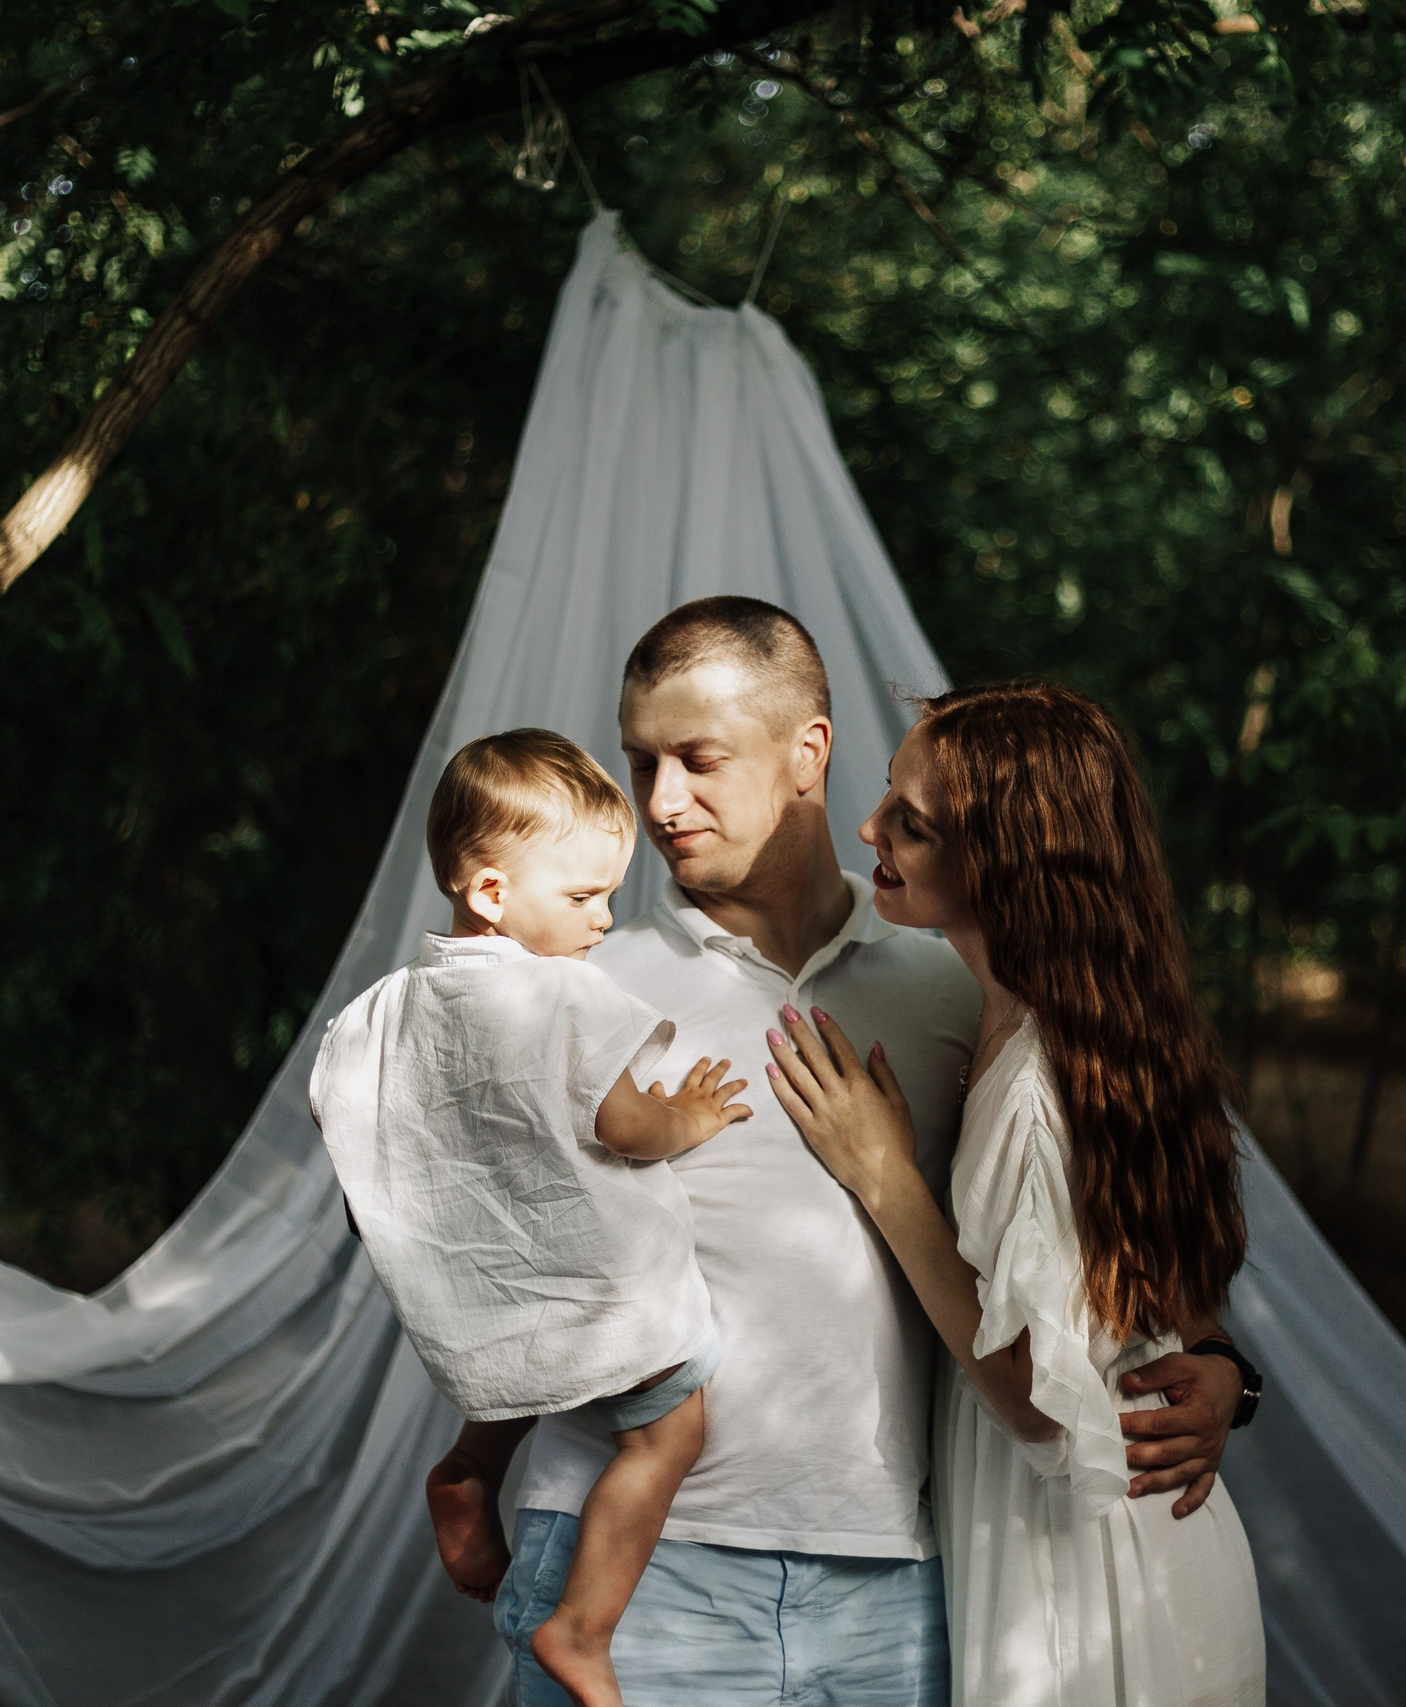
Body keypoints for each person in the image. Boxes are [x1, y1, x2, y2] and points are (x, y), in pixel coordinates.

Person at [450, 598, 1251, 1706]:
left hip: (901, 1578)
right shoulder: (579, 986)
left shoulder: (959, 984)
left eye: (697, 759)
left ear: (807, 753)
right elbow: (483, 1232)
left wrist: (1216, 1360)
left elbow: (1096, 1213)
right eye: (639, 761)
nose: (659, 801)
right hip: (639, 1571)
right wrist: (473, 1461)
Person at [767, 679, 1267, 1706]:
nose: (868, 828)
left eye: (911, 824)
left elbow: (1042, 1408)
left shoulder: (1042, 1081)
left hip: (1089, 1561)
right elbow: (1135, 1284)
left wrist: (885, 1178)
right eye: (888, 797)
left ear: (1005, 861)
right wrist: (1221, 1369)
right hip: (1124, 1526)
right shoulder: (1079, 1018)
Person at [308, 729, 753, 1707]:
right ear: (491, 892)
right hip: (602, 1291)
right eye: (584, 895)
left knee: (533, 1350)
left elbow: (340, 1117)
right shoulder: (562, 993)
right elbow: (627, 1126)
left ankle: (472, 1464)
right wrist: (692, 1114)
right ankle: (582, 1626)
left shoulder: (380, 1012)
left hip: (498, 1291)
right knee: (670, 1429)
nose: (605, 918)